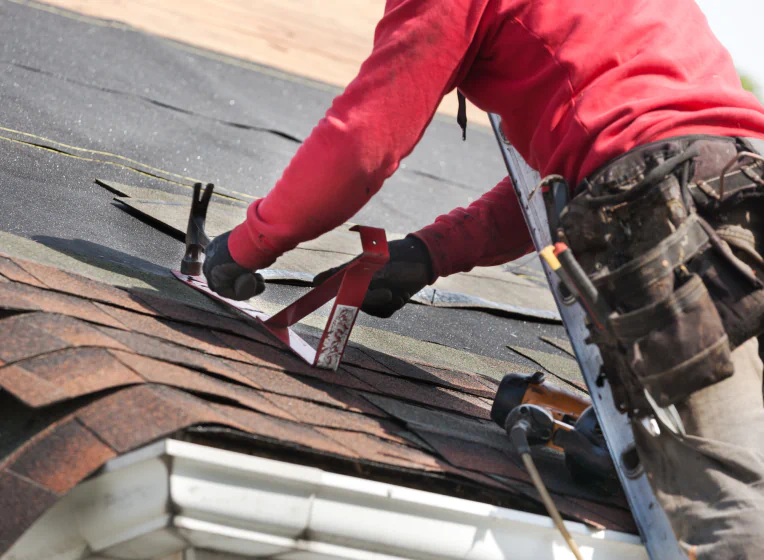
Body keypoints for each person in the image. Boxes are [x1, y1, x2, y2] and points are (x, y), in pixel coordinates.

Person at [202, 0, 764, 557]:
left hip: (667, 228)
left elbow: (363, 143)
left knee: (735, 511)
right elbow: (573, 176)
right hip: (741, 191)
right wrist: (429, 253)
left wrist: (252, 243)